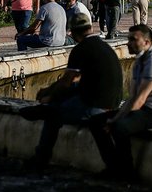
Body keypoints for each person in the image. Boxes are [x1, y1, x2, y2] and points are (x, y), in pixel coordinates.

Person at [19, 13, 123, 170]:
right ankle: (45, 108)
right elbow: (75, 81)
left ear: (73, 33)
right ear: (90, 28)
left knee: (53, 115)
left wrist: (48, 93)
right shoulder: (104, 46)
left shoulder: (81, 49)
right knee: (70, 92)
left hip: (95, 105)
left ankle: (41, 157)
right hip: (113, 102)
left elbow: (67, 80)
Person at [89, 24, 152, 181]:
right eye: (128, 39)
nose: (128, 43)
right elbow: (132, 98)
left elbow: (140, 99)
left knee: (119, 127)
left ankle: (127, 173)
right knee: (96, 122)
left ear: (147, 42)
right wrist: (112, 118)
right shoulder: (139, 62)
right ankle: (113, 167)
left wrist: (115, 120)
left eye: (133, 39)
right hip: (143, 110)